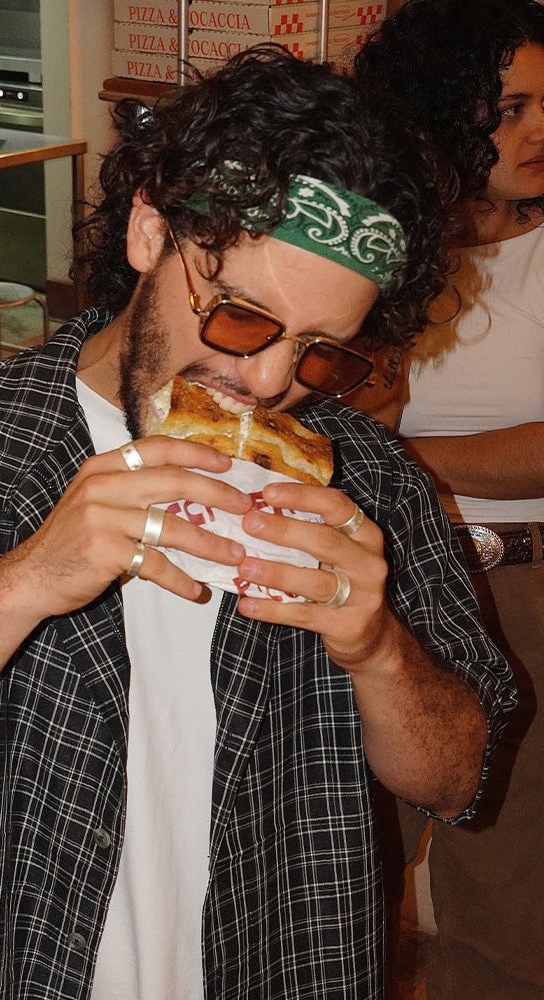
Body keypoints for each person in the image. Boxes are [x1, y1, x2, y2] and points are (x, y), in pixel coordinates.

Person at [0, 46, 515, 1000]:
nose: (272, 382)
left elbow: (458, 779)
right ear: (151, 231)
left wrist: (380, 653)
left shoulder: (373, 485)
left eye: (323, 355)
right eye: (242, 318)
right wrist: (21, 584)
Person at [352, 2, 544, 997]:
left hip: (522, 595)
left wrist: (408, 459)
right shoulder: (383, 251)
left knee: (506, 909)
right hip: (367, 590)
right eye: (509, 109)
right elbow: (333, 403)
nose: (539, 131)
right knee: (336, 877)